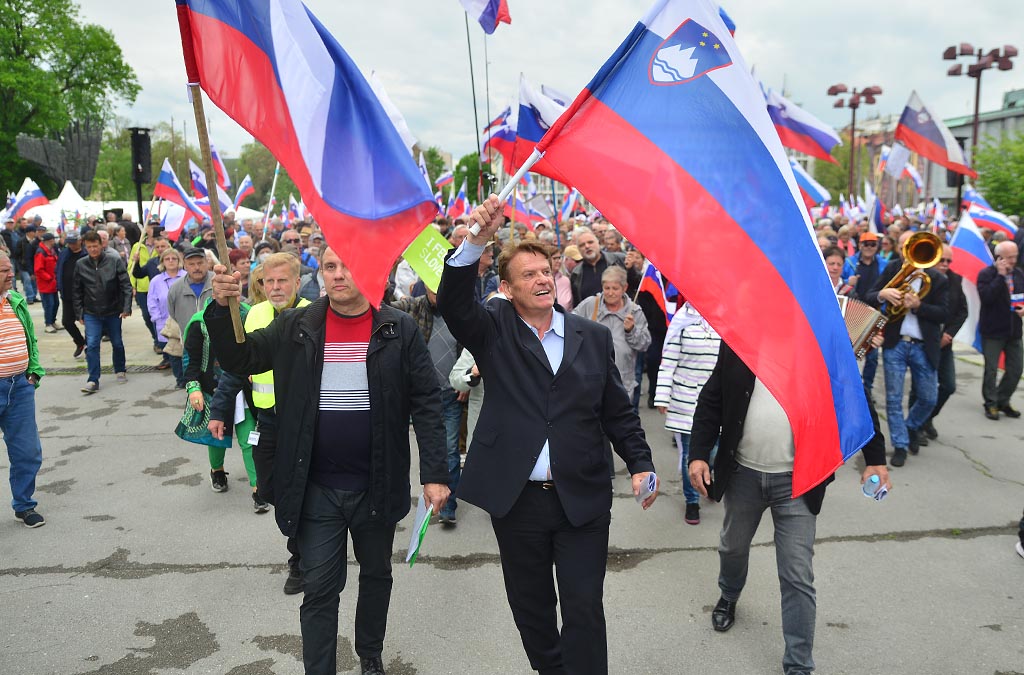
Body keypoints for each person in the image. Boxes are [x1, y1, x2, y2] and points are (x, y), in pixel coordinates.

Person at [437, 195, 658, 675]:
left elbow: (617, 412)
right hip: (518, 500)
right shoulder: (493, 329)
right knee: (531, 607)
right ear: (506, 288)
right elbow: (453, 303)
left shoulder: (590, 336)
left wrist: (641, 463)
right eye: (528, 274)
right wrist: (474, 240)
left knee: (584, 607)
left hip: (582, 496)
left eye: (545, 271)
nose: (541, 279)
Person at [205, 244, 450, 675]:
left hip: (377, 483)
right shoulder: (295, 325)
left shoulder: (398, 328)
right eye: (330, 266)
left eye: (347, 266)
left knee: (376, 576)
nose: (338, 274)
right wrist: (222, 308)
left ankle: (369, 653)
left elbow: (428, 402)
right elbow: (241, 358)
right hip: (316, 488)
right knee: (319, 588)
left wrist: (434, 474)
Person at [688, 342, 890, 675]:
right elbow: (712, 398)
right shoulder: (740, 338)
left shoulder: (821, 339)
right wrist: (698, 453)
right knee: (732, 547)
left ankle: (798, 665)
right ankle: (729, 593)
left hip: (799, 481)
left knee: (797, 574)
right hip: (742, 473)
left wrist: (876, 459)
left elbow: (856, 398)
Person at [241, 252, 312, 593]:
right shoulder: (255, 313)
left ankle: (300, 560)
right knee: (269, 488)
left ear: (297, 282)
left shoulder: (314, 313)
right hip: (267, 419)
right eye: (269, 281)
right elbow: (241, 364)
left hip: (303, 420)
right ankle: (304, 541)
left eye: (282, 280)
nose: (275, 287)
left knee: (303, 491)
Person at [866, 232, 949, 466]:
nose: (907, 253)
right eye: (903, 247)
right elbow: (869, 295)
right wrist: (882, 294)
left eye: (910, 247)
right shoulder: (893, 268)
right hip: (895, 344)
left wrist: (919, 306)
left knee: (929, 398)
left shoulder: (937, 278)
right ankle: (900, 445)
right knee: (893, 399)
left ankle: (911, 426)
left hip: (923, 345)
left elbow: (944, 313)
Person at [391, 287, 462, 526]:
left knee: (450, 450)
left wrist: (465, 380)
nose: (438, 291)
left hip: (450, 393)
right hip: (418, 395)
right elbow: (381, 309)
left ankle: (448, 507)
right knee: (404, 444)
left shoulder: (460, 313)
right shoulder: (413, 307)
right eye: (433, 285)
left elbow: (472, 348)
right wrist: (384, 286)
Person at [654, 302, 720, 525]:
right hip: (687, 400)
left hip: (716, 401)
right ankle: (692, 501)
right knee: (690, 454)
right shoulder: (682, 321)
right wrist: (662, 396)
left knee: (714, 451)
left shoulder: (724, 318)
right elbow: (668, 362)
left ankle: (706, 479)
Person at [0, 252, 46, 528]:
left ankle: (24, 505)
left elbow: (31, 339)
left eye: (10, 269)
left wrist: (34, 372)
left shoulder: (15, 300)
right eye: (4, 270)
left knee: (27, 451)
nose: (11, 274)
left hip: (19, 387)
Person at [572, 265, 651, 402]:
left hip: (623, 383)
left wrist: (631, 330)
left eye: (615, 288)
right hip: (591, 381)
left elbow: (644, 345)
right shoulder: (590, 305)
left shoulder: (634, 311)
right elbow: (570, 328)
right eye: (606, 288)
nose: (610, 293)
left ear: (624, 288)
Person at [73, 231, 133, 394]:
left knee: (117, 342)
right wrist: (79, 313)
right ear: (85, 247)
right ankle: (93, 379)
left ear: (101, 245)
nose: (93, 249)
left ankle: (120, 369)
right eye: (89, 246)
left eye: (95, 246)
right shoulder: (81, 264)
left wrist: (126, 307)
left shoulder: (114, 260)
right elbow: (77, 290)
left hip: (113, 310)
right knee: (92, 345)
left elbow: (126, 285)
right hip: (91, 312)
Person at [977, 241, 1024, 419]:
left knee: (1016, 369)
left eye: (1015, 256)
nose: (1013, 260)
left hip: (1014, 330)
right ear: (999, 258)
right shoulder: (986, 274)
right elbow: (987, 297)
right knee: (991, 370)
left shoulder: (1019, 274)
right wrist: (1000, 276)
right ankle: (991, 403)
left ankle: (1002, 400)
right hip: (993, 331)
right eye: (1009, 257)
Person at [148, 248, 188, 387]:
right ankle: (180, 380)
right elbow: (152, 302)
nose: (171, 261)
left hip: (185, 319)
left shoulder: (186, 277)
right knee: (173, 353)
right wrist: (157, 319)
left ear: (179, 261)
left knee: (187, 352)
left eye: (174, 258)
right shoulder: (156, 281)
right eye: (167, 259)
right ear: (162, 262)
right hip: (166, 322)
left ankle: (191, 379)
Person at [166, 248, 214, 348]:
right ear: (185, 266)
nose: (196, 267)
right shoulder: (176, 288)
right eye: (191, 264)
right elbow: (173, 313)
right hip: (189, 343)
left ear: (207, 263)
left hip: (215, 343)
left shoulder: (218, 282)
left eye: (200, 263)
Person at [569, 228, 625, 306]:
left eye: (590, 242)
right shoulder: (576, 273)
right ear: (578, 250)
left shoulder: (618, 260)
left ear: (598, 243)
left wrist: (632, 270)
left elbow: (636, 283)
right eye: (582, 245)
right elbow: (577, 302)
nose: (587, 246)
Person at [56, 230, 87, 359]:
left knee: (87, 321)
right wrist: (59, 285)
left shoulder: (86, 254)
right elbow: (58, 269)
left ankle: (90, 346)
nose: (71, 245)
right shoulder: (64, 253)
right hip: (67, 294)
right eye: (69, 243)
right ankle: (80, 342)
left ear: (80, 241)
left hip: (84, 295)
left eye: (74, 243)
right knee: (67, 322)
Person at [33, 232, 60, 332]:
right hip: (46, 284)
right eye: (53, 240)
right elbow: (38, 270)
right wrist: (49, 278)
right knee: (49, 304)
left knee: (56, 303)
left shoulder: (51, 250)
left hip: (53, 283)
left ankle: (52, 321)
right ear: (49, 241)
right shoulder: (41, 252)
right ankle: (48, 324)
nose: (54, 241)